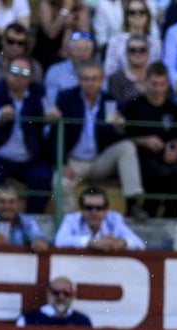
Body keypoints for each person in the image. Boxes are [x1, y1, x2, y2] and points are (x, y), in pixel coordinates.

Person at [49, 61, 147, 219]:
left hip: (100, 160)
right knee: (59, 183)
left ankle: (133, 202)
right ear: (79, 80)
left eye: (94, 79)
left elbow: (113, 136)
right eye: (86, 79)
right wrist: (62, 164)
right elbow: (55, 134)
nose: (90, 83)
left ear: (101, 81)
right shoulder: (66, 98)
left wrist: (119, 126)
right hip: (74, 162)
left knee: (127, 146)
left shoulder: (110, 101)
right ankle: (71, 224)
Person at [0, 55, 53, 212]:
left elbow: (49, 110)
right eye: (14, 71)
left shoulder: (38, 91)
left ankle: (31, 223)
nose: (18, 76)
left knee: (43, 179)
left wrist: (52, 114)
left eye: (24, 73)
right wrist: (0, 114)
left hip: (29, 156)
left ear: (31, 77)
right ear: (5, 71)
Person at [120, 62, 177, 217]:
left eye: (162, 84)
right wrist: (144, 141)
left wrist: (176, 148)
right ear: (145, 81)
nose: (158, 89)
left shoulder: (174, 108)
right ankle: (149, 211)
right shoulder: (133, 105)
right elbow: (122, 137)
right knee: (159, 173)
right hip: (139, 157)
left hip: (166, 158)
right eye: (154, 84)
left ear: (167, 84)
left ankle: (172, 217)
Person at [54, 186, 146, 250]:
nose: (94, 212)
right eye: (89, 208)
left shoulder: (114, 219)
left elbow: (140, 244)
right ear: (81, 210)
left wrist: (121, 243)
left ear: (106, 210)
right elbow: (60, 241)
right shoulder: (72, 219)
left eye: (99, 208)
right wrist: (92, 242)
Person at [0, 184, 49, 250]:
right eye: (2, 201)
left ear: (19, 204)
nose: (7, 206)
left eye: (11, 202)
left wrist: (39, 242)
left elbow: (37, 236)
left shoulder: (27, 221)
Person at [103, 0, 160, 79]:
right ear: (127, 17)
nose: (137, 15)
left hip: (148, 87)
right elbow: (109, 71)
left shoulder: (155, 43)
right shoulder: (115, 41)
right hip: (121, 86)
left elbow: (156, 72)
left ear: (147, 16)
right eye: (132, 12)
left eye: (141, 12)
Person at [0, 22, 44, 86]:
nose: (15, 47)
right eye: (10, 41)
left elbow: (37, 94)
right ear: (2, 40)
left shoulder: (34, 67)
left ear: (25, 46)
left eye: (20, 43)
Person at [43, 29, 96, 105]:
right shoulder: (55, 71)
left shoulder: (99, 72)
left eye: (86, 50)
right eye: (78, 50)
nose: (82, 54)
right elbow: (51, 102)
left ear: (91, 53)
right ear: (69, 52)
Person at [16, 276, 93, 327]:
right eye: (56, 292)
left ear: (73, 295)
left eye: (66, 293)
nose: (61, 297)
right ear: (48, 294)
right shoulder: (29, 319)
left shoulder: (83, 321)